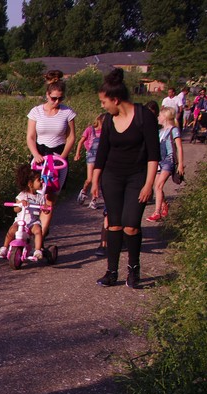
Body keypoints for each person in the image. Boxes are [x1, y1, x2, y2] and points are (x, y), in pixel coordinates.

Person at [91, 69, 160, 289]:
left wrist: (149, 184)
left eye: (104, 102)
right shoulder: (109, 121)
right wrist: (94, 180)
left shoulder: (144, 116)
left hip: (137, 177)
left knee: (131, 225)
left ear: (115, 99)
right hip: (112, 177)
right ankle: (111, 272)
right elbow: (102, 152)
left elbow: (153, 154)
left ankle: (133, 270)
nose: (102, 106)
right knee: (114, 225)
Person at [26, 69, 76, 237]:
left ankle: (41, 236)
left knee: (50, 198)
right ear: (47, 95)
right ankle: (30, 228)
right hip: (40, 156)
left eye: (60, 98)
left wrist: (63, 156)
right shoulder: (36, 111)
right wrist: (35, 154)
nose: (56, 102)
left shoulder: (67, 113)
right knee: (34, 194)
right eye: (53, 98)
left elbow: (71, 137)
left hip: (58, 157)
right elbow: (30, 137)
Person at [0, 164, 45, 261]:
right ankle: (4, 248)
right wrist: (20, 204)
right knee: (12, 230)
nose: (42, 181)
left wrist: (45, 208)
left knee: (38, 231)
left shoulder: (40, 197)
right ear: (30, 184)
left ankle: (37, 250)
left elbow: (44, 210)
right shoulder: (22, 195)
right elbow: (16, 209)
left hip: (33, 222)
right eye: (39, 180)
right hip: (20, 221)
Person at [148, 107, 185, 222]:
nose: (158, 117)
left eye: (160, 115)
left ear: (165, 117)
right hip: (159, 161)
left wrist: (180, 164)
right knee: (157, 186)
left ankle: (157, 212)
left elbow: (179, 147)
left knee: (159, 186)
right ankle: (164, 204)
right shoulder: (160, 131)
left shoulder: (174, 130)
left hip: (169, 160)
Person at [74, 113, 106, 208]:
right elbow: (81, 142)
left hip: (101, 156)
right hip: (91, 155)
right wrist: (77, 153)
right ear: (99, 121)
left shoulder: (106, 131)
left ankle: (93, 200)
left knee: (97, 180)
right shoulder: (90, 130)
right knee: (89, 179)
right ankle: (83, 191)